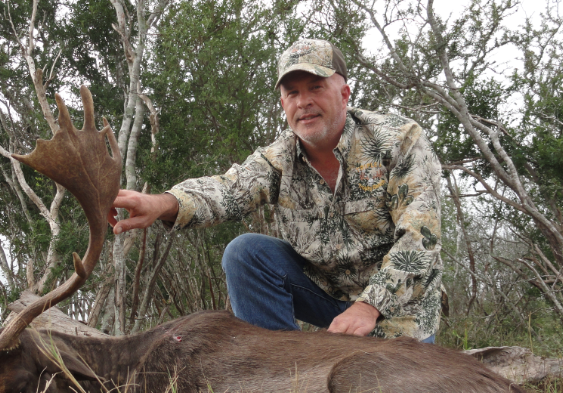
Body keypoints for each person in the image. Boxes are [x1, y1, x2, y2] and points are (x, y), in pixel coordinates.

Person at [108, 39, 443, 342]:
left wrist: (368, 307)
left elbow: (420, 237)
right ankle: (277, 368)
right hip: (327, 292)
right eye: (293, 93)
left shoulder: (398, 141)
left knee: (379, 390)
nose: (304, 102)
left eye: (316, 87)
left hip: (399, 306)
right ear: (283, 103)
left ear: (344, 93)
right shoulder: (279, 158)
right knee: (245, 253)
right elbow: (228, 189)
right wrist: (161, 203)